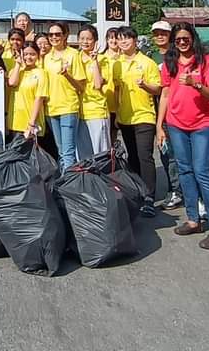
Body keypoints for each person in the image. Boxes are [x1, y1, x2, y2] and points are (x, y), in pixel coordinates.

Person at [157, 22, 209, 249]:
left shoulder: (206, 61)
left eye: (186, 38)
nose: (182, 43)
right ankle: (193, 219)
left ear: (193, 39)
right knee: (184, 171)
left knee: (202, 172)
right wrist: (160, 126)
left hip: (202, 124)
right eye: (178, 40)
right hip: (176, 124)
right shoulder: (170, 62)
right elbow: (165, 94)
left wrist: (198, 86)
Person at [113, 26, 163, 217]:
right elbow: (117, 91)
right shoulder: (117, 64)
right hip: (125, 117)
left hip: (144, 116)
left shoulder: (147, 63)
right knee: (132, 157)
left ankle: (149, 196)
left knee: (145, 156)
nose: (123, 42)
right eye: (120, 39)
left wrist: (144, 85)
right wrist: (117, 114)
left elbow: (158, 89)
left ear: (135, 41)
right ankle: (136, 192)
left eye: (127, 39)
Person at [148, 20, 183, 210]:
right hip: (157, 111)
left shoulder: (177, 55)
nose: (160, 36)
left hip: (177, 111)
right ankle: (175, 189)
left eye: (163, 33)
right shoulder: (150, 57)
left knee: (176, 154)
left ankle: (178, 191)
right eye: (156, 33)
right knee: (165, 152)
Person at [42, 21, 85, 171]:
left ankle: (70, 188)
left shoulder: (74, 55)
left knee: (68, 153)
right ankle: (64, 184)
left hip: (68, 107)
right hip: (51, 109)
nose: (54, 37)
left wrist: (68, 75)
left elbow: (81, 86)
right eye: (51, 34)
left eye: (58, 34)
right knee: (61, 152)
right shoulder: (46, 57)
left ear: (65, 35)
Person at [75, 26, 112, 159]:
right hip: (77, 112)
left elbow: (98, 84)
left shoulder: (103, 60)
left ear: (95, 41)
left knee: (100, 154)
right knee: (83, 156)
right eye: (82, 38)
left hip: (96, 111)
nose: (85, 42)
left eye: (89, 39)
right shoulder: (75, 58)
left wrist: (94, 61)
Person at [6, 41, 48, 143]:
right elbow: (12, 83)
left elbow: (39, 98)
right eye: (25, 54)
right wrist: (18, 64)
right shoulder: (16, 71)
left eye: (32, 54)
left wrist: (31, 123)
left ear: (37, 55)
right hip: (15, 122)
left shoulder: (41, 73)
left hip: (31, 124)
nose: (28, 57)